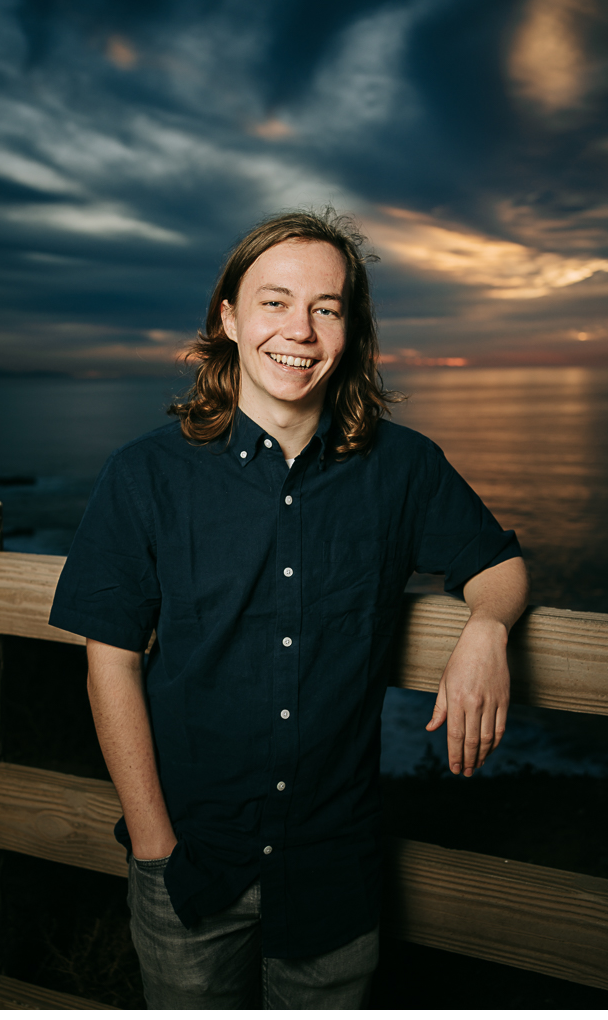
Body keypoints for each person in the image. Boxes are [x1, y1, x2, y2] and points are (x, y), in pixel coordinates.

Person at [49, 208, 528, 1010]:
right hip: (191, 866)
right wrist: (158, 848)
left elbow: (500, 565)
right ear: (229, 319)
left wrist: (486, 626)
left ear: (350, 329)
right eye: (274, 302)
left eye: (327, 308)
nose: (299, 331)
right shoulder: (143, 476)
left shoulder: (402, 467)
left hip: (334, 871)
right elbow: (111, 665)